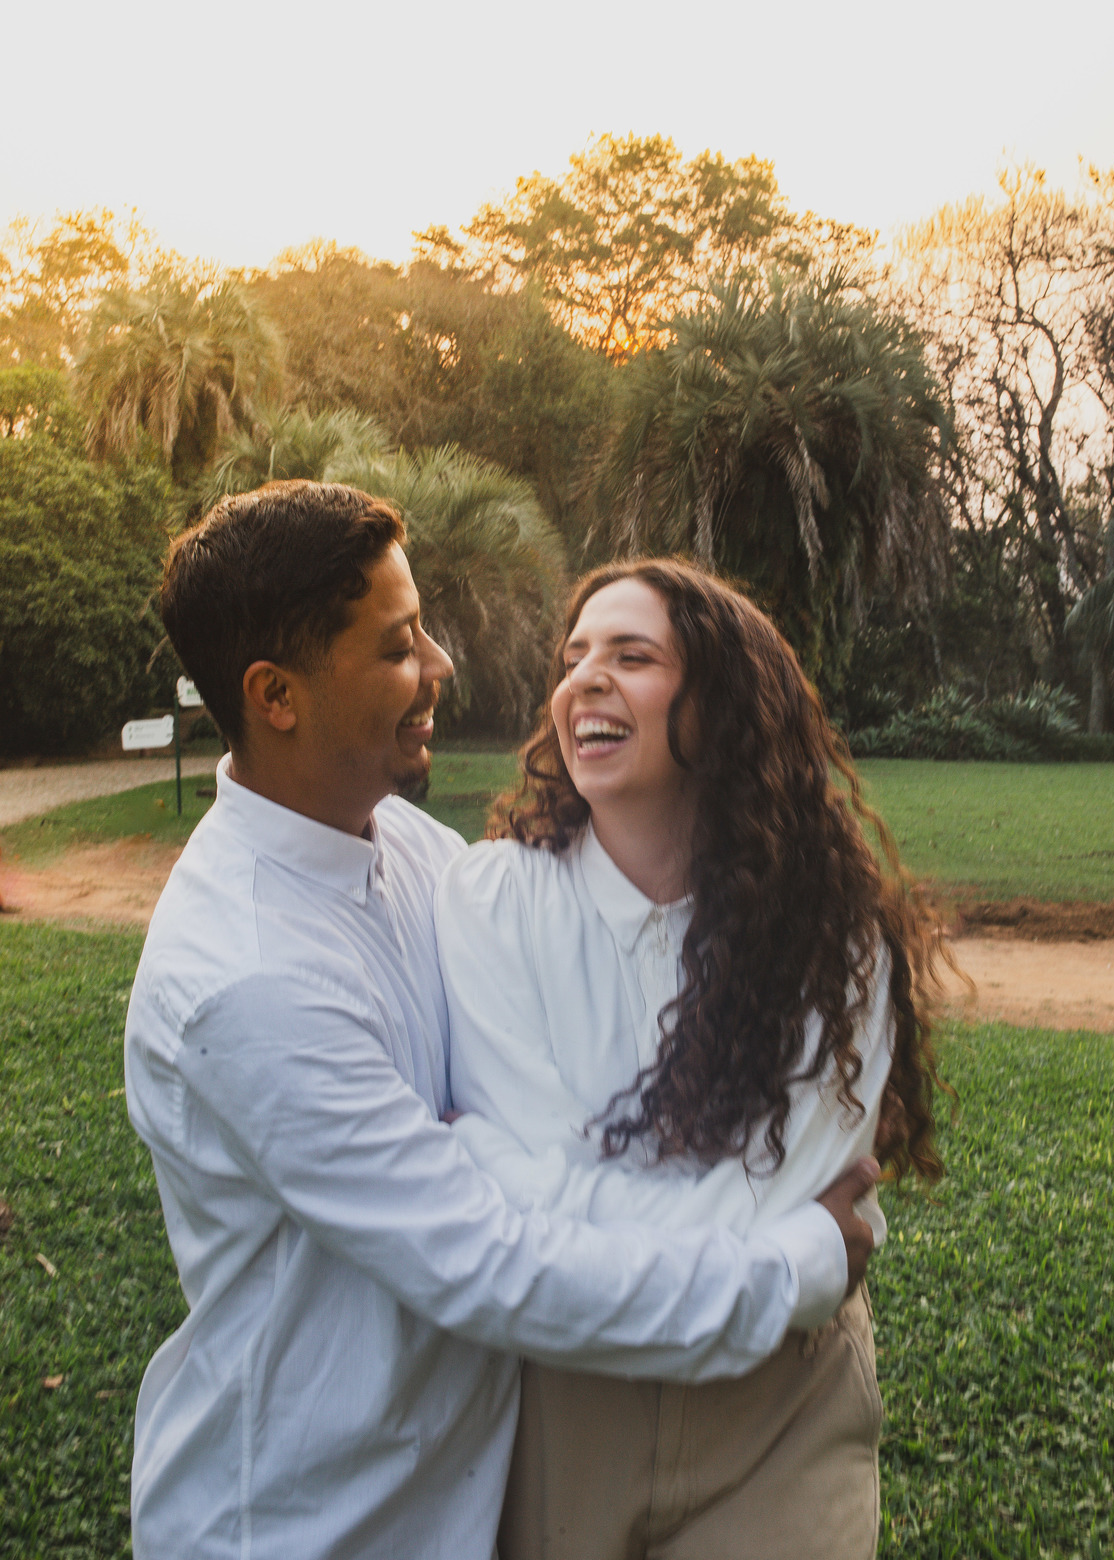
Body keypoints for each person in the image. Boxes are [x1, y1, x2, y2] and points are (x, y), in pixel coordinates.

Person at [124, 483, 880, 1560]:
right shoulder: (246, 978)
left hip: (462, 1494)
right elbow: (490, 1263)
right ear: (276, 695)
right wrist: (793, 1266)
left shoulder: (410, 849)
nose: (439, 665)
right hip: (311, 1521)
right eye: (398, 647)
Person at [435, 558, 949, 1560]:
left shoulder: (833, 932)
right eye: (574, 658)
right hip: (565, 1404)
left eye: (633, 657)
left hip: (781, 1408)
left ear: (723, 706)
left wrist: (522, 1181)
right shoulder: (492, 901)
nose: (587, 678)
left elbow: (549, 1206)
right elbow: (535, 1225)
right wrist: (796, 1257)